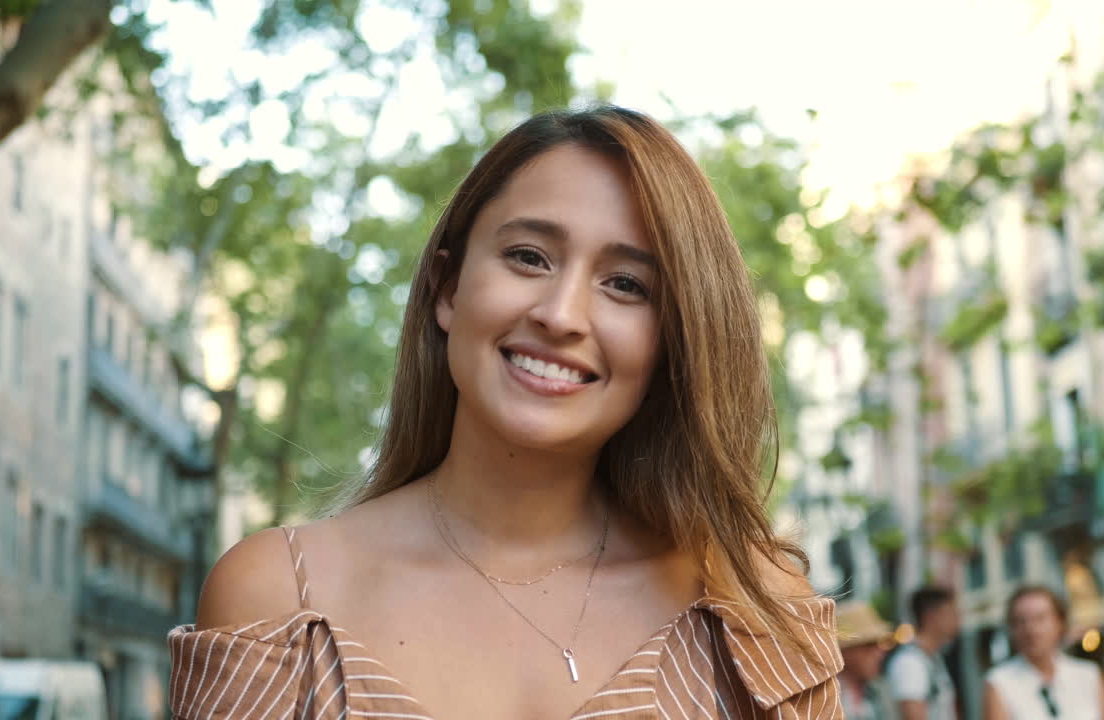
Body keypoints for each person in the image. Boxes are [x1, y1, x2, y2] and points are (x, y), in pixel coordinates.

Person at [165, 107, 845, 720]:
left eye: (626, 285)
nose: (560, 314)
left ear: (675, 341)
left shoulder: (755, 612)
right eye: (529, 256)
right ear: (448, 289)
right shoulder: (276, 603)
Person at [984, 585, 1104, 720]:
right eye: (1020, 621)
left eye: (1040, 618)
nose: (1030, 629)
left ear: (1060, 623)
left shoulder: (1089, 674)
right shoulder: (1000, 682)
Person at [885, 586, 960, 720]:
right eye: (951, 613)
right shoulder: (909, 663)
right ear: (931, 617)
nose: (957, 619)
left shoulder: (933, 658)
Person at [837, 600, 900, 720]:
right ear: (844, 650)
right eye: (869, 644)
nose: (880, 652)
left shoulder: (877, 692)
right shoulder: (821, 697)